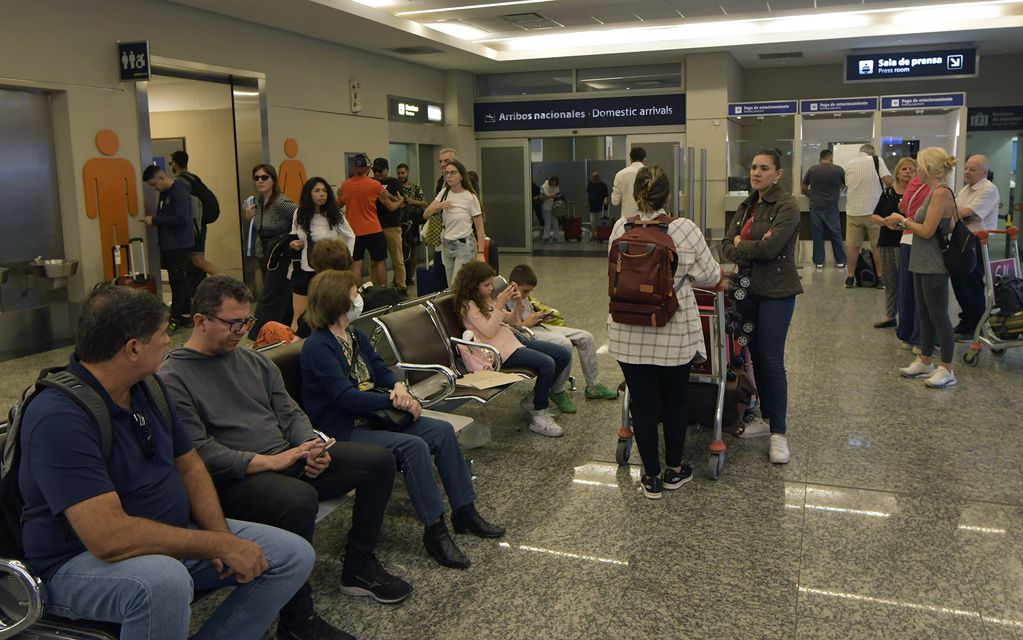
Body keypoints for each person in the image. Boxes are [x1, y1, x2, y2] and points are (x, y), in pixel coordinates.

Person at [18, 285, 313, 639]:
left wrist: (221, 535)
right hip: (75, 564)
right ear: (133, 349)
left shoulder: (148, 388)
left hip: (166, 538)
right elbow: (107, 538)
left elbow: (189, 465)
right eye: (162, 336)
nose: (168, 344)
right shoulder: (59, 417)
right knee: (162, 582)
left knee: (292, 556)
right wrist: (218, 545)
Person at [160, 276, 411, 640]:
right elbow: (200, 452)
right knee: (297, 500)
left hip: (286, 457)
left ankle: (358, 566)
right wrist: (272, 462)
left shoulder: (251, 360)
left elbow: (290, 412)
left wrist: (310, 445)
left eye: (246, 323)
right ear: (200, 321)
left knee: (378, 461)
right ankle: (297, 621)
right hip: (236, 479)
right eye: (233, 324)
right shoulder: (174, 376)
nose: (240, 331)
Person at [299, 269, 505, 570]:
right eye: (354, 293)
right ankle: (435, 531)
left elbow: (382, 369)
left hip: (374, 416)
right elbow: (345, 397)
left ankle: (464, 511)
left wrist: (398, 386)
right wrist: (393, 400)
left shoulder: (353, 334)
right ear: (337, 300)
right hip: (345, 429)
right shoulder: (318, 347)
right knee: (414, 447)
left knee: (443, 431)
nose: (359, 298)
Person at [608, 166, 721, 499]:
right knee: (675, 401)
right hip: (672, 328)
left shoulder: (620, 226)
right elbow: (710, 275)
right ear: (668, 196)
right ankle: (675, 470)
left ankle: (651, 478)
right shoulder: (684, 228)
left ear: (636, 194)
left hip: (627, 330)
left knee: (642, 405)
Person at [721, 149, 803, 465]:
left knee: (771, 359)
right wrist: (743, 247)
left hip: (777, 292)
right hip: (747, 290)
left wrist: (745, 246)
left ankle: (779, 433)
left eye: (764, 168)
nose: (757, 173)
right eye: (754, 167)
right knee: (752, 354)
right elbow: (726, 245)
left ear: (778, 174)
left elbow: (771, 249)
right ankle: (767, 418)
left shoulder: (787, 205)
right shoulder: (747, 205)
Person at [453, 262, 572, 437]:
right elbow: (488, 329)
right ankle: (539, 414)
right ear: (473, 285)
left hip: (512, 340)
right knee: (547, 363)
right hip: (498, 352)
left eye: (491, 283)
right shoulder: (468, 305)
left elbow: (512, 322)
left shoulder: (483, 298)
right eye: (486, 285)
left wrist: (517, 305)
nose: (490, 288)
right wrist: (500, 305)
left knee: (563, 354)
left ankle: (535, 398)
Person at [888, 148, 959, 389]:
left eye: (918, 166)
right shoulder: (934, 193)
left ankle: (947, 367)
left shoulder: (940, 193)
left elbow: (928, 230)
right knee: (924, 313)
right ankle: (926, 360)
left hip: (933, 263)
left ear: (927, 168)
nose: (915, 170)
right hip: (921, 259)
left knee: (938, 315)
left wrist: (903, 220)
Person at [506, 263, 619, 412]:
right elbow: (507, 328)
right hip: (525, 333)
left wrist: (540, 316)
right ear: (513, 285)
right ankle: (557, 391)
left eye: (529, 291)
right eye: (525, 290)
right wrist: (526, 322)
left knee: (586, 337)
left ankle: (593, 385)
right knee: (564, 344)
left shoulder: (522, 295)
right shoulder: (504, 299)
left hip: (538, 327)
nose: (527, 294)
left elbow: (528, 313)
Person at [289, 177, 356, 331]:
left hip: (328, 271)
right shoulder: (299, 213)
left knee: (327, 313)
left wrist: (347, 258)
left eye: (324, 190)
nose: (322, 194)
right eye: (317, 191)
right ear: (309, 194)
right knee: (299, 315)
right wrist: (293, 243)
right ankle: (295, 346)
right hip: (305, 268)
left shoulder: (334, 214)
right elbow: (293, 233)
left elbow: (351, 235)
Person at [244, 163, 298, 339]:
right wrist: (250, 218)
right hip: (266, 255)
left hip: (280, 255)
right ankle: (284, 330)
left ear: (273, 180)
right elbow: (259, 229)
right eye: (257, 178)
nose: (260, 181)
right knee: (283, 295)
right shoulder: (258, 202)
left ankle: (257, 334)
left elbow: (301, 217)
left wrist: (294, 241)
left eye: (264, 177)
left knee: (270, 295)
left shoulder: (281, 202)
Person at [952, 154, 1001, 339]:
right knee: (958, 283)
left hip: (976, 242)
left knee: (972, 284)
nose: (966, 171)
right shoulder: (965, 190)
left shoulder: (989, 189)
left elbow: (966, 213)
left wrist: (955, 214)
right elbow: (955, 212)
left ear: (984, 172)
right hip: (960, 240)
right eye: (966, 168)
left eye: (972, 169)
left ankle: (975, 325)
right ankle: (966, 320)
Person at [142, 165, 195, 333]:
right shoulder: (165, 194)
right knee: (177, 279)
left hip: (180, 244)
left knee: (177, 280)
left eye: (153, 184)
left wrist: (155, 221)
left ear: (161, 178)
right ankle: (184, 313)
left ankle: (177, 316)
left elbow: (182, 218)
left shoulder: (179, 191)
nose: (154, 188)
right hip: (170, 244)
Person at [338, 154, 399, 287]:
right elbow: (391, 207)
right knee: (380, 263)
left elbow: (337, 205)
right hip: (374, 230)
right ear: (368, 169)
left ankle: (358, 296)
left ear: (353, 169)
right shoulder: (375, 185)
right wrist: (400, 201)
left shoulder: (345, 185)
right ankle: (383, 292)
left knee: (357, 265)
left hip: (354, 233)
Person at [871, 157, 917, 329]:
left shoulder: (917, 194)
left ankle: (908, 317)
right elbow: (874, 216)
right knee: (890, 281)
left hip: (907, 243)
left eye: (911, 169)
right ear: (897, 172)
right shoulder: (888, 193)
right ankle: (890, 315)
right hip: (887, 242)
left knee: (906, 282)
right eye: (904, 169)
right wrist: (886, 222)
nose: (907, 172)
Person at [423, 159, 486, 279]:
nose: (449, 176)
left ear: (462, 176)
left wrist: (481, 252)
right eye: (446, 173)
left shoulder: (470, 197)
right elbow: (425, 214)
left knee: (457, 284)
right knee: (450, 286)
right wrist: (438, 206)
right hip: (447, 244)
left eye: (453, 172)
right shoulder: (444, 193)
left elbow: (479, 226)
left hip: (464, 245)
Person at [843, 144, 893, 288]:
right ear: (872, 153)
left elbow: (847, 184)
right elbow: (888, 180)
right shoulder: (877, 160)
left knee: (853, 246)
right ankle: (880, 279)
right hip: (874, 212)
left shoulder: (849, 164)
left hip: (853, 211)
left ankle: (850, 278)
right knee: (877, 246)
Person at [168, 150, 220, 280]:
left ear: (174, 163)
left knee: (198, 260)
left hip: (193, 228)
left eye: (170, 163)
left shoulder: (180, 182)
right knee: (196, 261)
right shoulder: (193, 178)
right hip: (200, 225)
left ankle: (227, 283)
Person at [895, 172, 930, 352]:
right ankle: (921, 338)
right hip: (924, 244)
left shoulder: (913, 184)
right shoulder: (936, 188)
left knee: (906, 291)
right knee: (923, 295)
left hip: (906, 240)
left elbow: (902, 207)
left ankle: (907, 334)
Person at [800, 149, 847, 269]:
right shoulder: (839, 169)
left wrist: (811, 196)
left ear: (820, 158)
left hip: (816, 206)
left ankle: (819, 262)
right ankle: (841, 261)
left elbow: (803, 186)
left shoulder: (812, 169)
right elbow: (844, 185)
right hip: (831, 206)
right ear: (831, 158)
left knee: (817, 234)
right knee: (836, 234)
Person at [372, 158, 409, 295]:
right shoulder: (372, 182)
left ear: (387, 170)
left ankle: (401, 286)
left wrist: (390, 196)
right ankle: (375, 286)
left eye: (381, 172)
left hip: (392, 225)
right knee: (375, 259)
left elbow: (403, 202)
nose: (379, 175)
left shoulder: (394, 182)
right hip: (375, 225)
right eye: (376, 173)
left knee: (397, 258)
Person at [396, 163, 426, 283]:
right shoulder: (395, 187)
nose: (400, 175)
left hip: (412, 223)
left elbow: (424, 203)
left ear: (407, 173)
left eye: (402, 173)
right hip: (399, 223)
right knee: (400, 250)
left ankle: (412, 274)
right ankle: (401, 277)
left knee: (413, 250)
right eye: (398, 173)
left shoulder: (415, 187)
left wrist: (412, 201)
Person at [611, 147, 647, 220]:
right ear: (644, 159)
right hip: (645, 220)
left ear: (630, 158)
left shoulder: (620, 174)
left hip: (627, 220)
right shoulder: (650, 174)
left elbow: (615, 201)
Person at [586, 171, 609, 241]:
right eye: (593, 177)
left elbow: (606, 195)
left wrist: (605, 200)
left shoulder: (603, 185)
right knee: (592, 222)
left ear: (598, 178)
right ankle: (593, 235)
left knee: (600, 222)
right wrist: (587, 202)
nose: (594, 179)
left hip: (601, 207)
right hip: (592, 206)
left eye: (595, 177)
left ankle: (599, 235)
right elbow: (588, 193)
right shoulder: (590, 184)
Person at [539, 175, 562, 243]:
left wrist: (548, 196)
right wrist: (552, 196)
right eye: (553, 182)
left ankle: (556, 236)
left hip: (555, 206)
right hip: (546, 207)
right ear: (550, 181)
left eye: (555, 183)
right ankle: (546, 236)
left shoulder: (556, 186)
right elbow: (546, 194)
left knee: (555, 222)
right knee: (547, 222)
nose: (554, 184)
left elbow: (557, 195)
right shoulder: (544, 186)